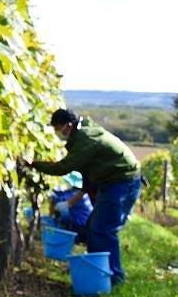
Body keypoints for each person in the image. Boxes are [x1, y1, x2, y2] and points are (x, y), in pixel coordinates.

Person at [28, 108, 141, 285]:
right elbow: (88, 171)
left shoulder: (86, 139)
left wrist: (34, 164)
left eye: (58, 128)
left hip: (121, 183)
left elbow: (63, 167)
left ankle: (114, 278)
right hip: (111, 182)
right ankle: (97, 271)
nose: (58, 133)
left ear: (69, 126)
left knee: (103, 230)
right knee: (93, 228)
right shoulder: (83, 134)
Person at [50, 171, 93, 243]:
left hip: (83, 226)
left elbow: (60, 202)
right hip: (87, 224)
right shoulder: (78, 192)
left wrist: (53, 195)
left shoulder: (76, 195)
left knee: (64, 218)